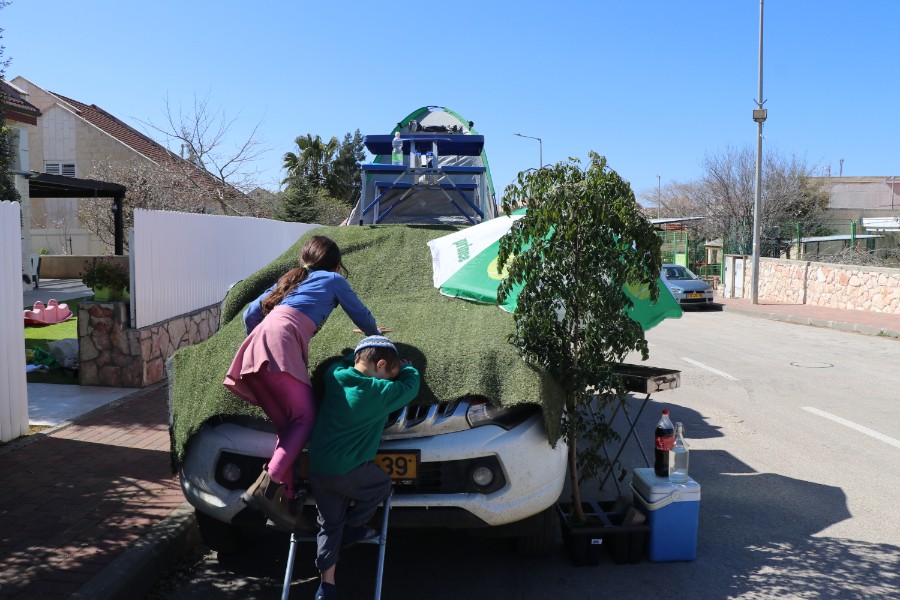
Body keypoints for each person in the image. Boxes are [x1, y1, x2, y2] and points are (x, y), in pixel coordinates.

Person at [223, 235, 384, 532]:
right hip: (280, 345)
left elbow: (250, 314)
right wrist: (377, 336)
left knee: (288, 427)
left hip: (254, 347)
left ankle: (287, 497)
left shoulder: (290, 280)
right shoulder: (334, 280)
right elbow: (359, 313)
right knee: (306, 420)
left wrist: (264, 336)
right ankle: (266, 486)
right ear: (336, 265)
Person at [307, 335, 420, 600]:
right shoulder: (380, 392)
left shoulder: (335, 377)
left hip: (318, 467)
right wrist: (407, 366)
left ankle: (327, 587)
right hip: (348, 470)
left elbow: (343, 361)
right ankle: (355, 527)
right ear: (381, 365)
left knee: (329, 525)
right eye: (391, 372)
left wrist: (357, 352)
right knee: (380, 484)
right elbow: (411, 386)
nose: (392, 378)